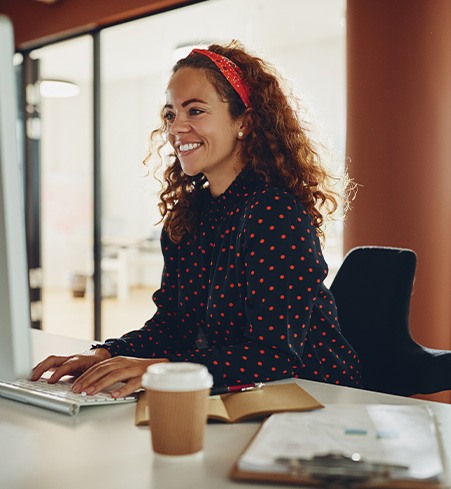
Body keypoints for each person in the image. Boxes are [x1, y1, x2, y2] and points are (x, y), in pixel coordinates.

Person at [31, 41, 361, 398]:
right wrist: (103, 354)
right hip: (242, 393)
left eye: (196, 111)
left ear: (244, 123)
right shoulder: (188, 216)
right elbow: (172, 325)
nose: (176, 129)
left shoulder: (275, 214)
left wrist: (161, 369)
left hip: (317, 396)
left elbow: (275, 355)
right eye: (171, 114)